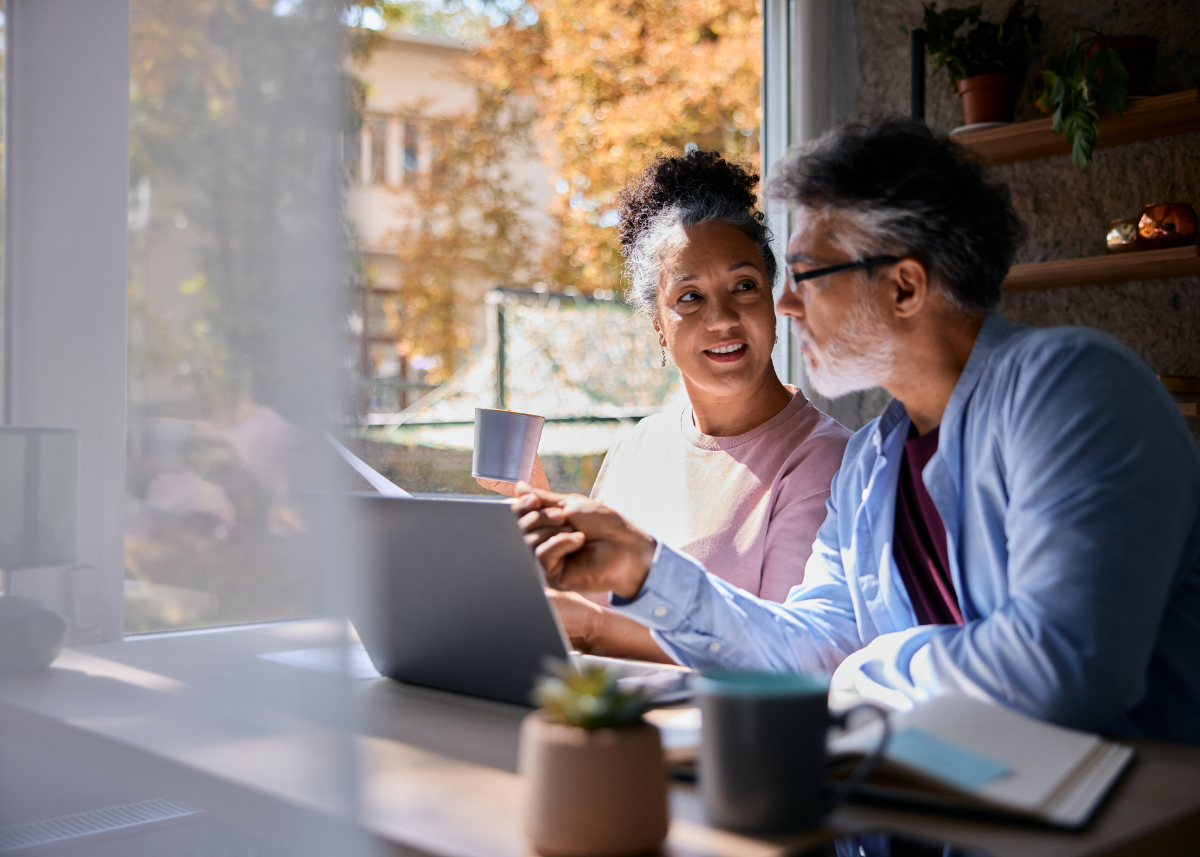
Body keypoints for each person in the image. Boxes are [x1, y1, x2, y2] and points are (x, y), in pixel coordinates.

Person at [513, 119, 1200, 744]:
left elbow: (1065, 671)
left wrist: (866, 668)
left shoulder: (1072, 391)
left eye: (808, 274)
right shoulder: (875, 459)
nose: (782, 303)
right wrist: (644, 568)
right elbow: (805, 651)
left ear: (904, 288)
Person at [483, 150, 850, 662]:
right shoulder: (637, 448)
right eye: (689, 298)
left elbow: (787, 654)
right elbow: (581, 609)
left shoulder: (826, 462)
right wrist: (543, 524)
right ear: (657, 323)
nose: (722, 318)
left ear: (771, 298)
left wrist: (593, 628)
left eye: (743, 286)